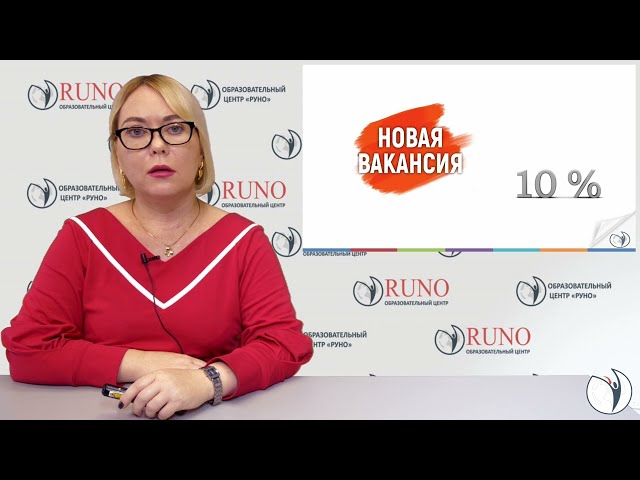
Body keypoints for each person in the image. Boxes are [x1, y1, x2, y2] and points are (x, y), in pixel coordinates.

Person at [1, 73, 314, 420]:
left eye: (175, 128)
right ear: (118, 155)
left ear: (201, 148)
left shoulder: (244, 239)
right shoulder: (82, 236)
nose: (157, 145)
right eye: (136, 132)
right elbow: (29, 350)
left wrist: (207, 381)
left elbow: (284, 345)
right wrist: (143, 363)